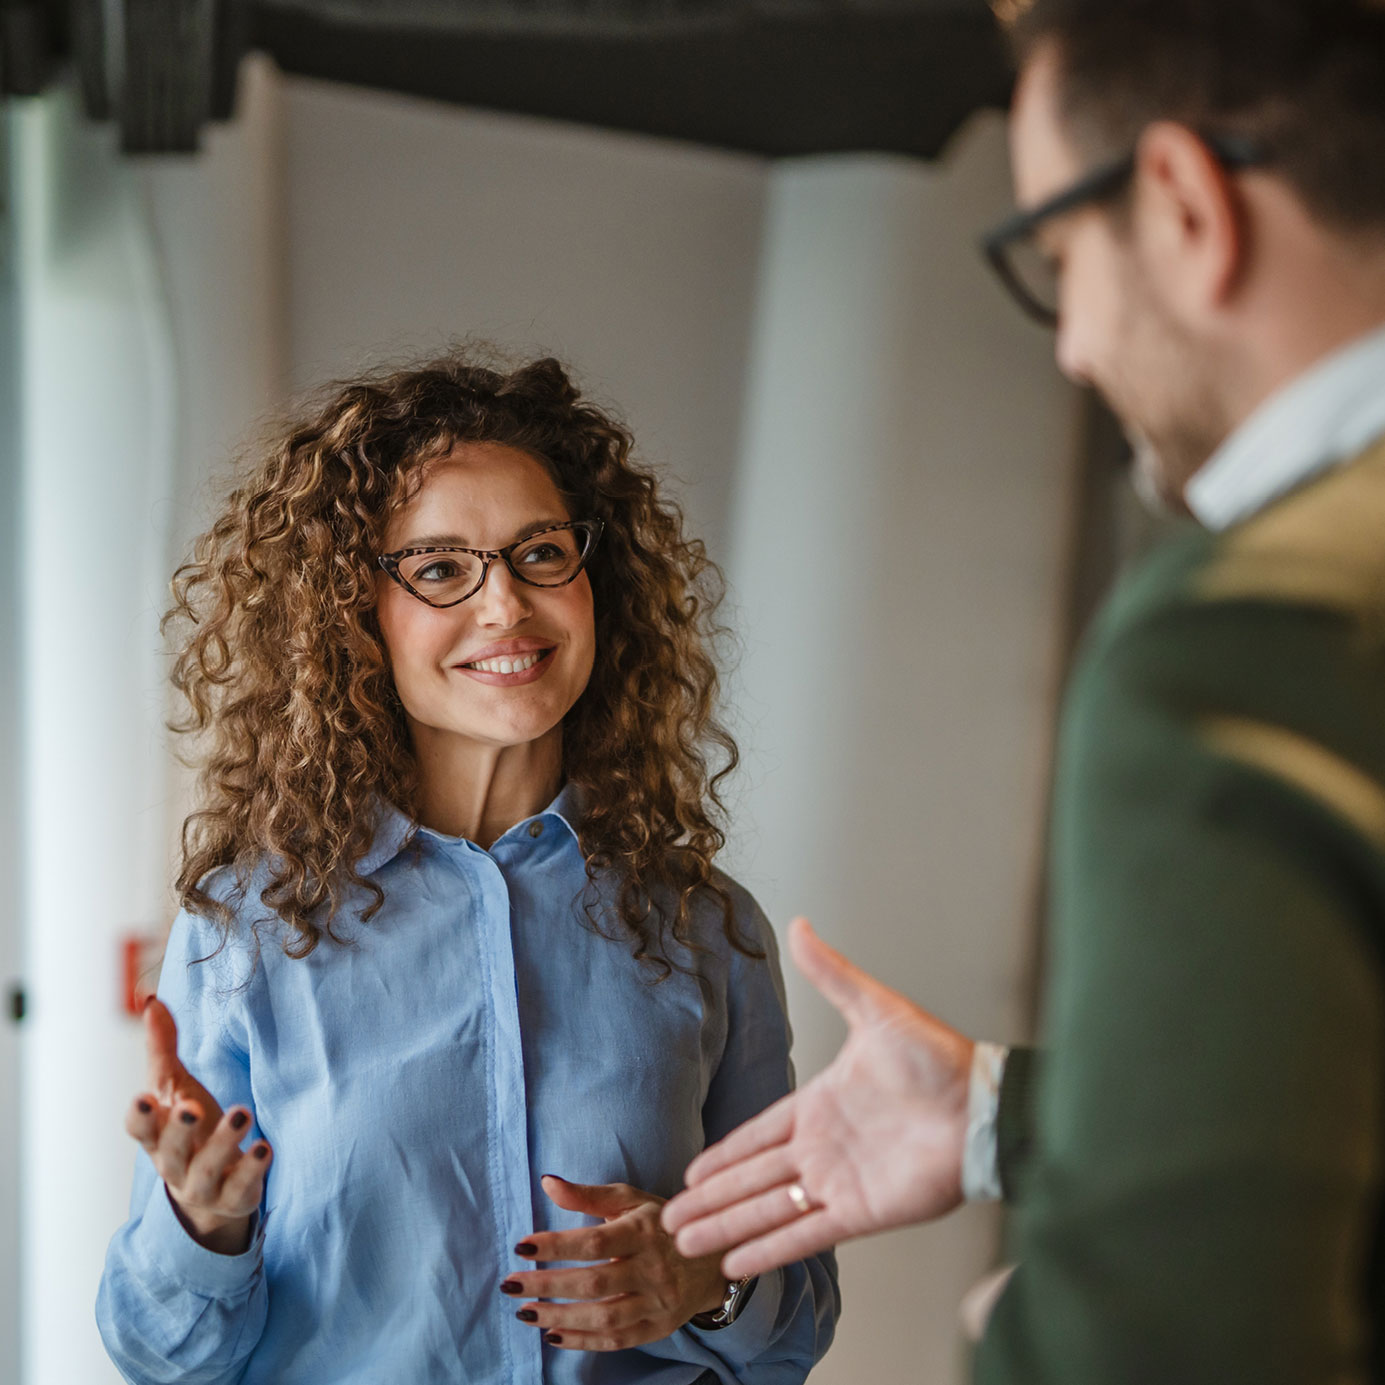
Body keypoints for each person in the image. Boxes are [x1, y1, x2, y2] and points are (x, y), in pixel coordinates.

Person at [662, 1, 1385, 1379]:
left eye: (1056, 254)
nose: (1070, 348)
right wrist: (1008, 1113)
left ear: (1179, 202)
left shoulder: (1244, 639)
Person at [95, 351, 839, 1384]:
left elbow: (792, 1329)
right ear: (356, 616)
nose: (505, 606)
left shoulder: (703, 926)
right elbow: (158, 1354)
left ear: (596, 578)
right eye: (440, 568)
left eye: (540, 553)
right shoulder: (246, 927)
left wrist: (703, 1277)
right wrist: (203, 1228)